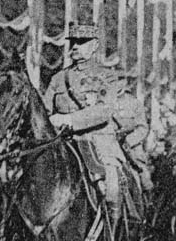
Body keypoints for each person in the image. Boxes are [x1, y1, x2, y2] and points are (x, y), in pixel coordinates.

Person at [43, 23, 147, 226]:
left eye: (81, 42)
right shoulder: (58, 79)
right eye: (73, 42)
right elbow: (46, 110)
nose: (75, 46)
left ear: (94, 45)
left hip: (99, 144)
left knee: (112, 188)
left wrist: (68, 119)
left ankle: (113, 235)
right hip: (63, 143)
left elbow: (103, 111)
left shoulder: (106, 76)